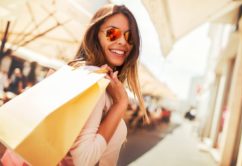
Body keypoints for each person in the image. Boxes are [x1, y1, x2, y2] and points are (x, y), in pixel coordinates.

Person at [1, 4, 148, 166]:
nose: (122, 41)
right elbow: (84, 159)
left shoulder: (78, 73)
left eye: (129, 37)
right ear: (95, 35)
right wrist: (120, 105)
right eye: (112, 33)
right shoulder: (94, 80)